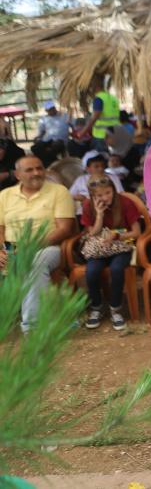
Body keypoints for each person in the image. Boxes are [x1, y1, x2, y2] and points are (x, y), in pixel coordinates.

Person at [0, 155, 75, 333]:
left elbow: (64, 229)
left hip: (48, 248)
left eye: (39, 168)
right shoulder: (5, 195)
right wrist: (1, 251)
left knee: (35, 262)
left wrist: (28, 248)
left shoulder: (59, 191)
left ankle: (31, 327)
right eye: (29, 170)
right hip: (11, 248)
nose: (36, 173)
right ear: (17, 175)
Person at [80, 176, 141, 331]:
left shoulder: (125, 202)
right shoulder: (87, 205)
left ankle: (115, 308)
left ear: (113, 189)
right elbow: (93, 233)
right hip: (100, 248)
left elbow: (136, 232)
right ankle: (96, 307)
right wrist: (99, 214)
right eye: (100, 195)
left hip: (122, 245)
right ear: (93, 196)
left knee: (117, 269)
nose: (106, 197)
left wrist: (117, 236)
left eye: (108, 192)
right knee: (91, 271)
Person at [82, 84, 120, 153]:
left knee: (102, 156)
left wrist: (82, 132)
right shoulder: (113, 98)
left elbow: (94, 117)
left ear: (95, 87)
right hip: (114, 134)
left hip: (101, 136)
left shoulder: (99, 99)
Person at [32, 100, 71, 166]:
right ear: (46, 110)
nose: (51, 111)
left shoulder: (65, 116)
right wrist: (38, 137)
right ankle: (49, 162)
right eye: (49, 110)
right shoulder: (43, 119)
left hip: (60, 140)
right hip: (47, 139)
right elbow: (41, 132)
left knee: (54, 147)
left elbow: (75, 126)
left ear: (55, 108)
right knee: (35, 147)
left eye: (52, 109)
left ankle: (50, 163)